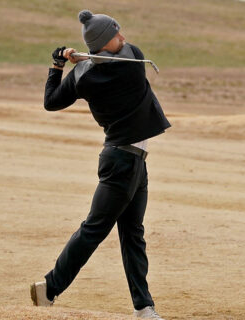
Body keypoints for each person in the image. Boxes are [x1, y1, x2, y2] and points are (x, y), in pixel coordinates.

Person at [29, 9, 170, 320]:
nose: (123, 38)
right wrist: (91, 58)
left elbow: (51, 101)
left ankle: (144, 307)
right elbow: (125, 51)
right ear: (105, 43)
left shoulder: (83, 76)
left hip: (130, 160)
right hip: (123, 163)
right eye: (115, 35)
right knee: (94, 229)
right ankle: (49, 289)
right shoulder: (133, 64)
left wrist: (59, 64)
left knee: (133, 232)